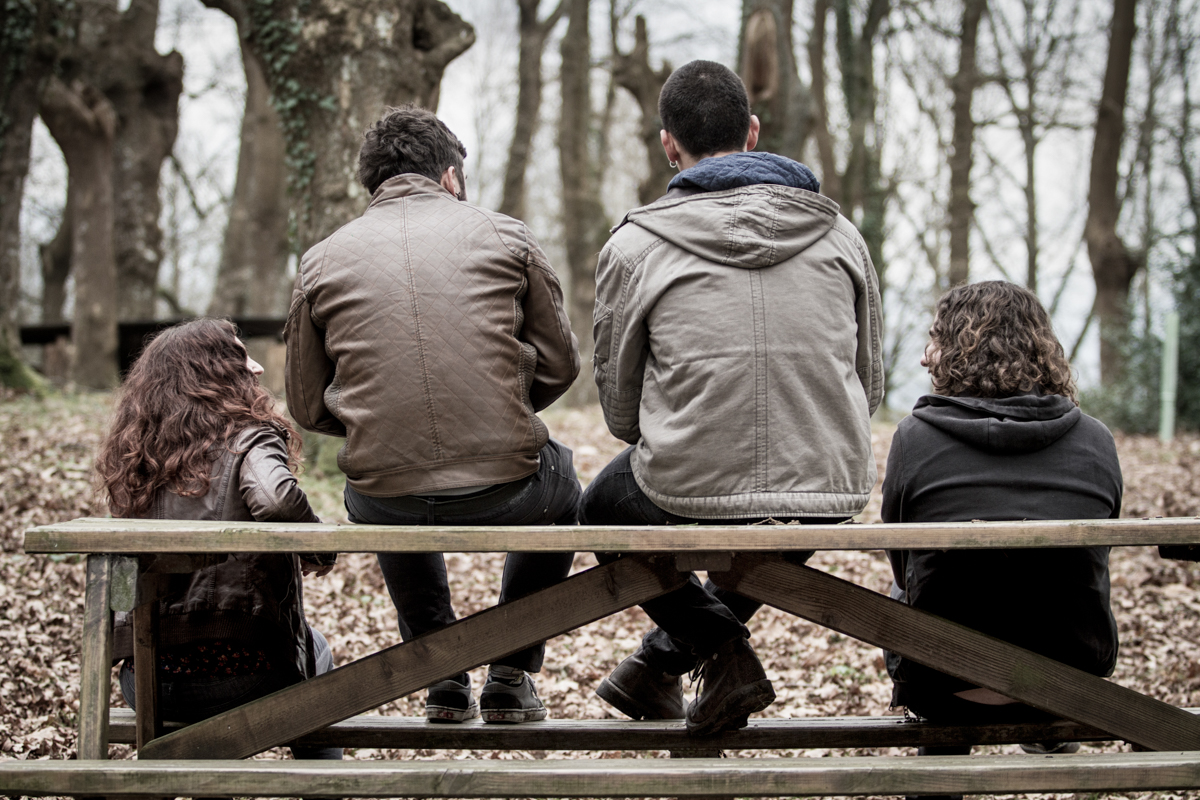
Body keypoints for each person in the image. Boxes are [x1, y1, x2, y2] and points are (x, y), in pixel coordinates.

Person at [580, 60, 884, 736]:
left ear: (668, 144)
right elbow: (872, 383)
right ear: (752, 132)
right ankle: (663, 669)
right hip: (827, 479)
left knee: (602, 505)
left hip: (687, 480)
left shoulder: (635, 245)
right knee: (804, 494)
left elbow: (621, 413)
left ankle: (713, 655)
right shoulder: (842, 236)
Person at [285, 105, 582, 724]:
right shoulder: (506, 236)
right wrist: (499, 405)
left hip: (383, 496)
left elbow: (307, 404)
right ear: (450, 175)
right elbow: (561, 365)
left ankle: (443, 674)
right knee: (562, 482)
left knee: (381, 477)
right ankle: (510, 672)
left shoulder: (320, 261)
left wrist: (376, 418)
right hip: (509, 489)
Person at [883, 281, 1122, 767]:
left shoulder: (914, 439)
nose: (926, 358)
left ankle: (940, 772)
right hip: (1070, 677)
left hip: (943, 682)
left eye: (935, 340)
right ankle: (1048, 732)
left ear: (959, 350)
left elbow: (901, 561)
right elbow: (1098, 554)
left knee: (906, 595)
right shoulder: (1096, 440)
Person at [94, 318, 341, 762]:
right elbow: (277, 499)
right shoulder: (249, 436)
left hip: (145, 681)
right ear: (215, 370)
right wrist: (319, 548)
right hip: (243, 675)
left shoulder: (135, 457)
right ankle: (322, 787)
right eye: (241, 355)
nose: (258, 367)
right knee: (317, 658)